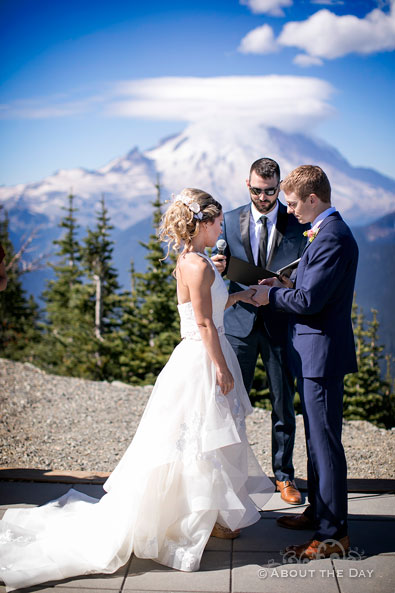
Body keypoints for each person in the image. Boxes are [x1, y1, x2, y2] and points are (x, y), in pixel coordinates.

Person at [0, 188, 274, 591]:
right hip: (201, 358)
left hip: (206, 353)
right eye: (216, 221)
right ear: (201, 223)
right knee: (194, 443)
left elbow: (213, 307)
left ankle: (207, 515)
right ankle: (183, 526)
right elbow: (202, 324)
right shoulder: (195, 265)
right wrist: (221, 368)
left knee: (204, 441)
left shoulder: (198, 260)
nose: (221, 227)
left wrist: (243, 294)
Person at [252, 165, 358, 559]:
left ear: (313, 199)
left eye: (293, 203)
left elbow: (311, 302)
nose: (289, 209)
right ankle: (319, 512)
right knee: (316, 442)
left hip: (322, 356)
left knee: (326, 446)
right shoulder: (325, 232)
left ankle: (333, 536)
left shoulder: (333, 237)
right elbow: (311, 289)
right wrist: (283, 284)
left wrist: (270, 298)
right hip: (312, 354)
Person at [212, 158, 309, 505]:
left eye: (270, 191)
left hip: (280, 323)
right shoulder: (227, 220)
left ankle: (284, 477)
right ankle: (226, 479)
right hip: (239, 322)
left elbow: (305, 272)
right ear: (247, 184)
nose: (264, 197)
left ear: (279, 186)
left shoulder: (297, 223)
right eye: (257, 190)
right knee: (230, 404)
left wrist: (286, 282)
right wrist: (217, 266)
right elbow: (215, 266)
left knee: (283, 404)